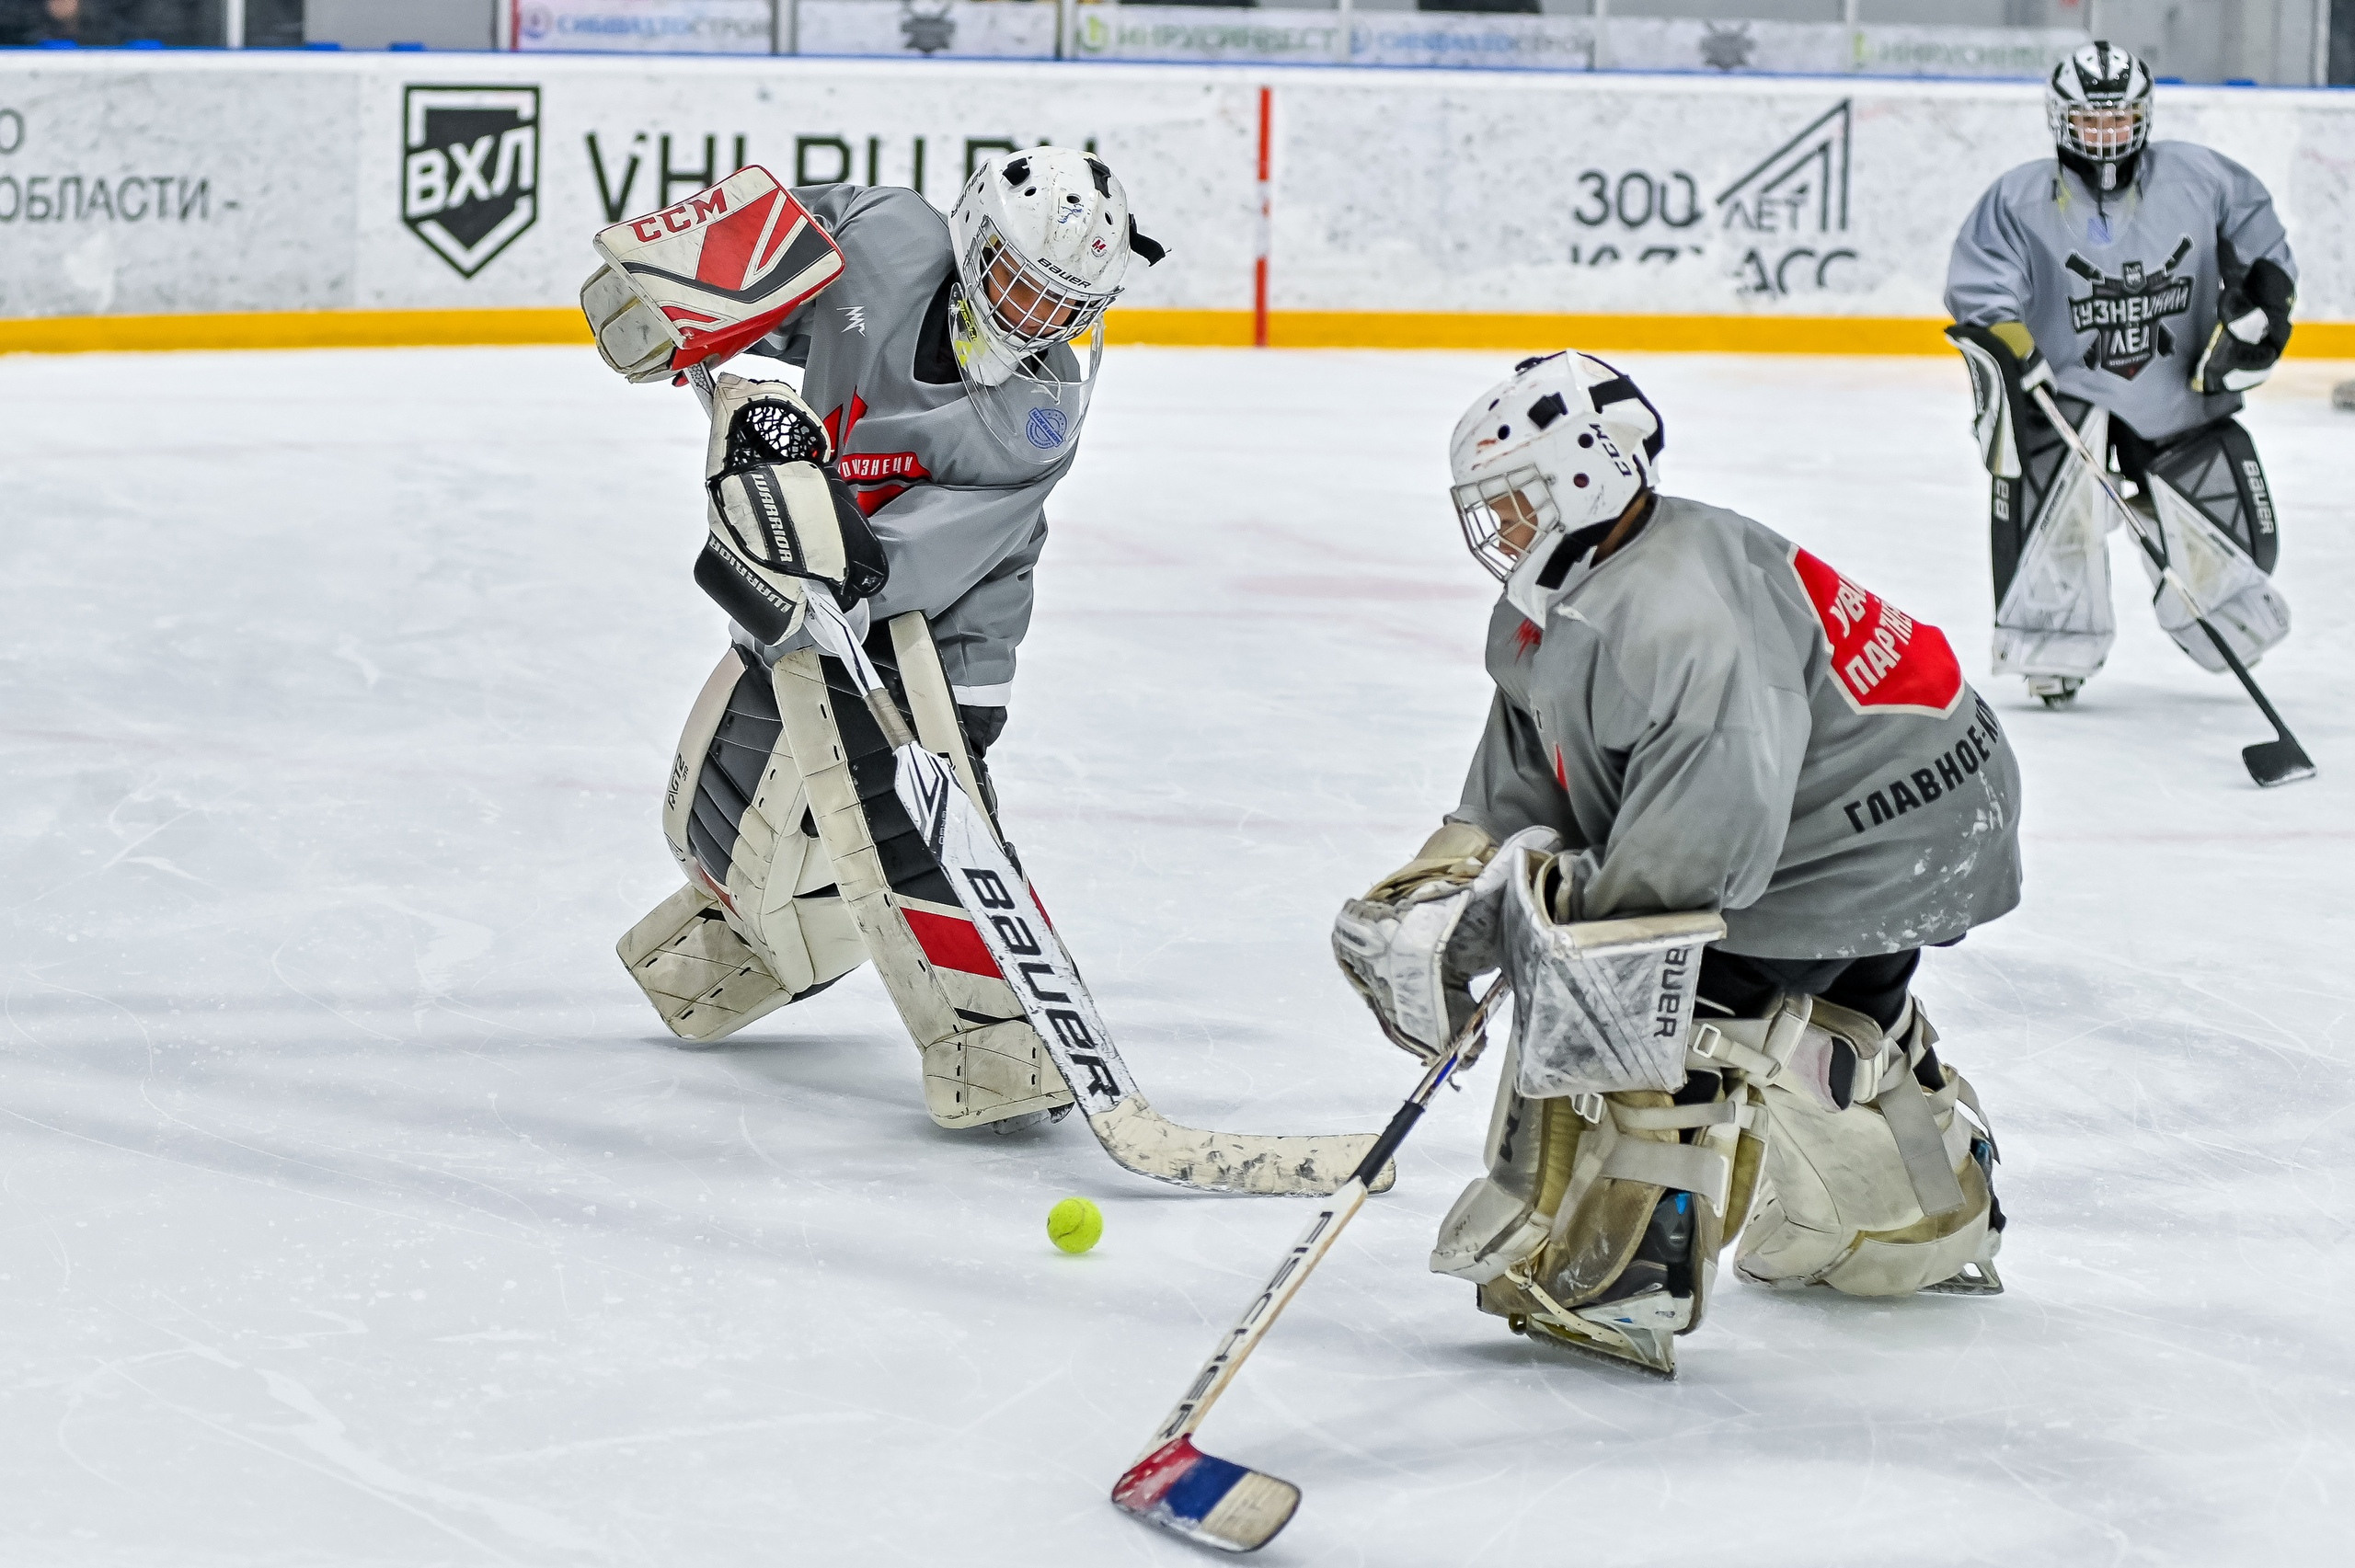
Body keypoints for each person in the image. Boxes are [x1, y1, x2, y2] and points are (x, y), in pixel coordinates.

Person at [1330, 351, 2022, 1376]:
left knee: (1645, 1002)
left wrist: (1537, 919)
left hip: (1898, 824)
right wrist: (1441, 884)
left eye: (1514, 500)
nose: (1498, 527)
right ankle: (1915, 1217)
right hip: (1870, 806)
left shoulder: (1680, 615)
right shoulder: (1557, 600)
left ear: (1583, 476)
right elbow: (1522, 786)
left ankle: (1623, 1279)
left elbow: (1693, 862)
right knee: (1826, 1025)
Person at [610, 147, 1163, 1135]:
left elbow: (890, 573)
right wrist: (680, 301)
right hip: (817, 580)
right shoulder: (887, 232)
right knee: (723, 795)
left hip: (940, 638)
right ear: (970, 240)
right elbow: (764, 261)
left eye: (1063, 304)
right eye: (1017, 284)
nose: (1034, 319)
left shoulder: (1038, 416)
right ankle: (734, 952)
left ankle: (1002, 1037)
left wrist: (781, 525)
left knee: (903, 822)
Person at [1945, 40, 2298, 708]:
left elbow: (2260, 246)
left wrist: (2265, 299)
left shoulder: (2202, 177)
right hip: (2069, 391)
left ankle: (2212, 604)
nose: (2106, 137)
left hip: (2177, 386)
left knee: (2229, 539)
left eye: (2118, 120)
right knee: (2051, 494)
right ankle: (2052, 644)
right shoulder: (2019, 199)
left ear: (2142, 117)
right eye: (2091, 121)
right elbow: (1981, 283)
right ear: (2061, 119)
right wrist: (2010, 339)